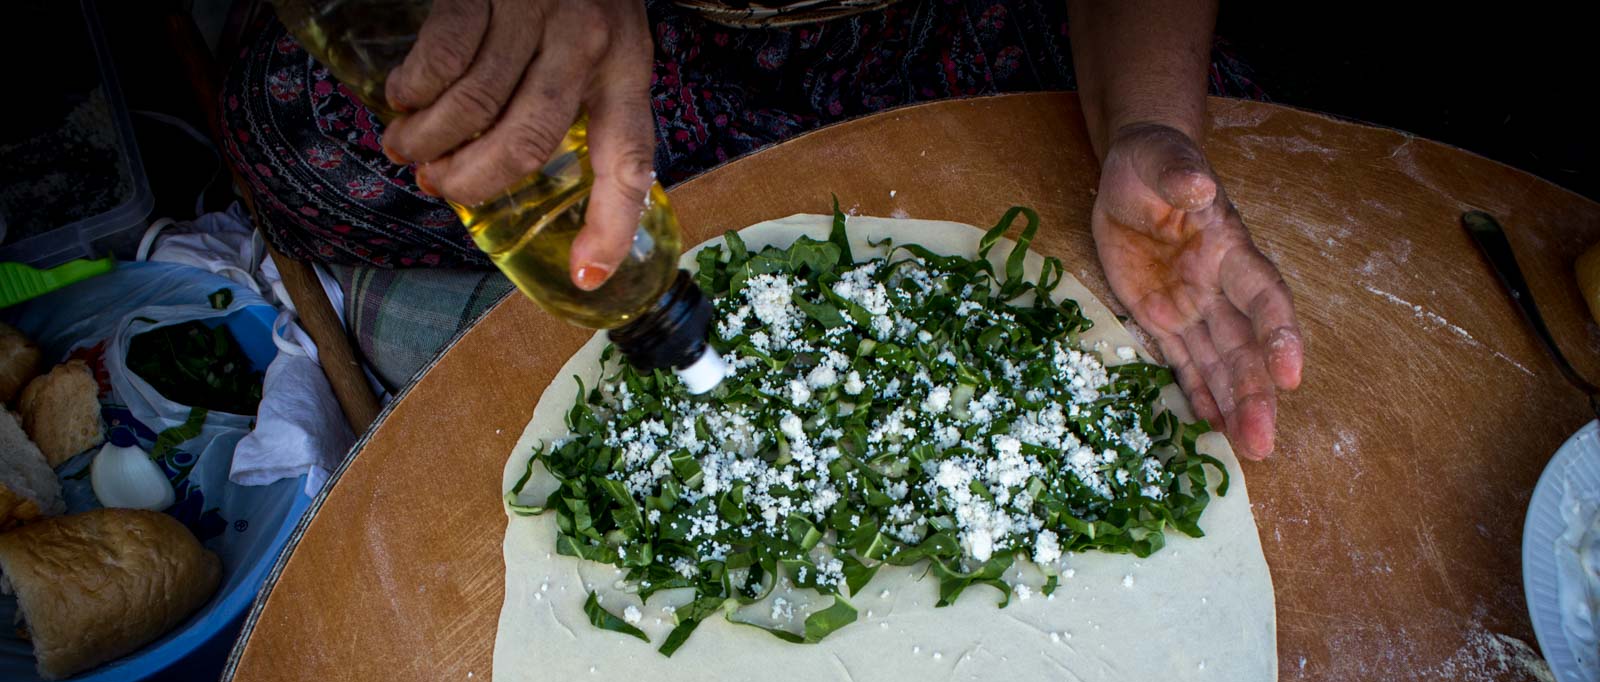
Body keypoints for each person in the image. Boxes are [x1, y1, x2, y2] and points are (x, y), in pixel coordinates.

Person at [225, 0, 1302, 459]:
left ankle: (777, 168)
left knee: (1260, 125)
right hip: (655, 47)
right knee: (284, 126)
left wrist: (1146, 117)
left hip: (945, 30)